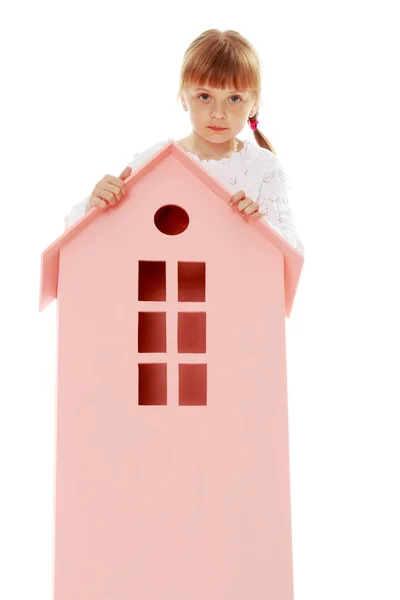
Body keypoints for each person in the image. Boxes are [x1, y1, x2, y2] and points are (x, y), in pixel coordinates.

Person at [64, 29, 305, 256]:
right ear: (183, 98)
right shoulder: (158, 160)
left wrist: (259, 224)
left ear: (253, 103)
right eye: (204, 96)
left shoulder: (263, 168)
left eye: (234, 98)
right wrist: (95, 202)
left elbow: (293, 253)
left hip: (233, 293)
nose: (218, 112)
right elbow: (85, 234)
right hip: (162, 292)